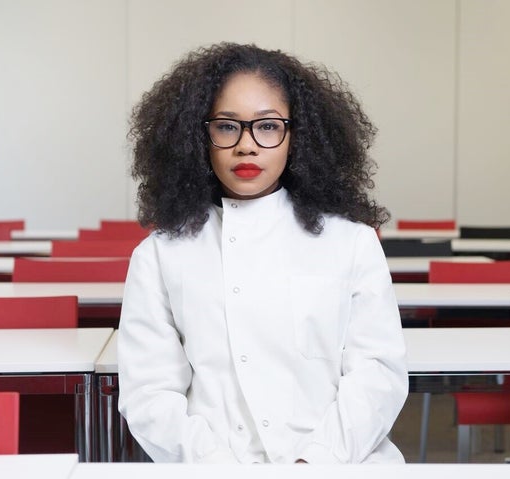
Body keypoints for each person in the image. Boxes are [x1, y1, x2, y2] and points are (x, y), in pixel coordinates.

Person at [118, 42, 407, 464]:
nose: (247, 146)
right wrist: (217, 465)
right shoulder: (159, 257)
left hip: (341, 463)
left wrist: (315, 461)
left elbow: (378, 377)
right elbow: (150, 396)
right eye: (227, 126)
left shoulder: (353, 243)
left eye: (268, 126)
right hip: (211, 467)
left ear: (297, 137)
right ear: (199, 137)